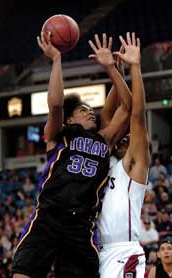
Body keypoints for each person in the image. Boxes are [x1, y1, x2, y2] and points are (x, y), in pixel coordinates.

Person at [12, 31, 131, 278]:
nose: (90, 113)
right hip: (48, 218)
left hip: (80, 226)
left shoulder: (105, 140)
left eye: (91, 110)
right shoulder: (58, 135)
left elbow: (127, 107)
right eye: (83, 109)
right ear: (69, 118)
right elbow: (55, 104)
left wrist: (112, 69)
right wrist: (56, 60)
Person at [96, 32, 150, 277]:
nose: (124, 138)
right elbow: (110, 117)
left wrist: (134, 67)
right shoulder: (106, 161)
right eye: (122, 136)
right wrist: (113, 71)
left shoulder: (134, 164)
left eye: (129, 138)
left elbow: (136, 115)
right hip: (98, 251)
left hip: (124, 252)